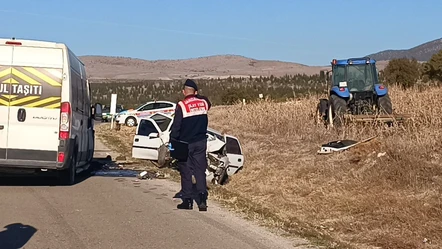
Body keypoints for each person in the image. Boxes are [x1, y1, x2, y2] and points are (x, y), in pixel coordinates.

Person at [170, 79, 211, 211]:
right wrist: (197, 95)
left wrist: (173, 141)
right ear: (196, 92)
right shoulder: (204, 103)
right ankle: (202, 199)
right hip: (201, 142)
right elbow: (206, 99)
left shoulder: (182, 105)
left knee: (186, 171)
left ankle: (187, 201)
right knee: (200, 171)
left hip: (185, 143)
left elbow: (177, 126)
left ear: (183, 92)